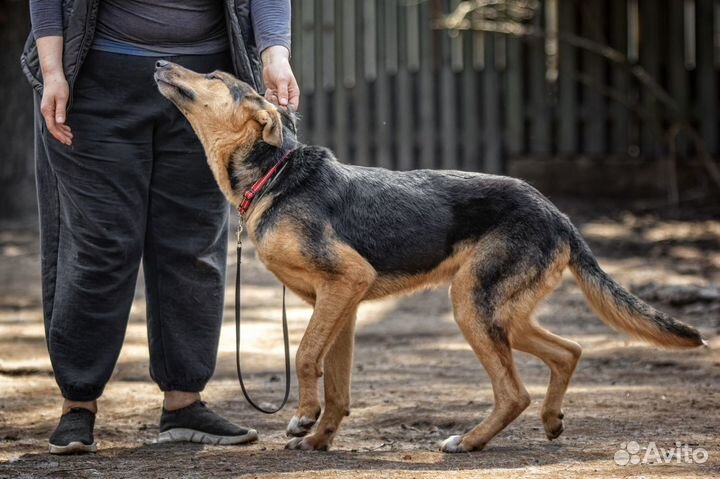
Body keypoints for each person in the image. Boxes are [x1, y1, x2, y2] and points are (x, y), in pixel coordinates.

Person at [21, 0, 299, 455]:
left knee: (192, 245)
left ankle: (184, 403)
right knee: (102, 244)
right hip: (93, 82)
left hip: (204, 89)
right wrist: (52, 71)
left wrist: (275, 55)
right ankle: (78, 404)